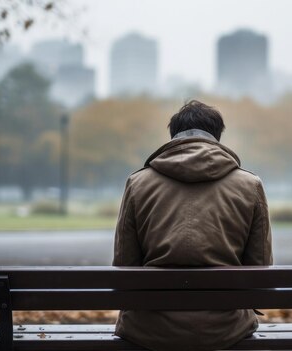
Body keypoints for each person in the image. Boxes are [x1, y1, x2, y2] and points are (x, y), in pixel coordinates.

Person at [113, 100, 273, 351]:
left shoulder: (138, 183)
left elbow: (124, 267)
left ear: (174, 136)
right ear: (217, 137)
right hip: (226, 328)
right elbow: (260, 270)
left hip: (149, 328)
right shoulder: (250, 185)